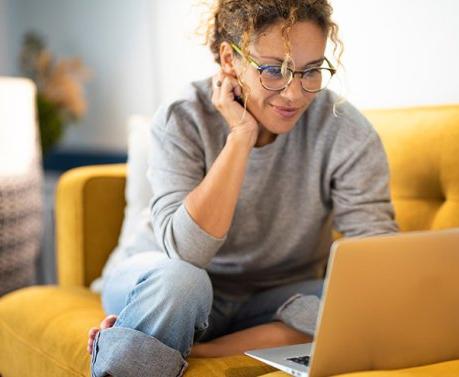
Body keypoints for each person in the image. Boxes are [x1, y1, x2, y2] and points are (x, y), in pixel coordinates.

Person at [88, 0, 399, 376]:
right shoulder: (183, 117)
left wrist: (214, 351)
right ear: (229, 59)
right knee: (182, 283)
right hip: (169, 281)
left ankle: (197, 344)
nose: (294, 94)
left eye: (311, 71)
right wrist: (240, 137)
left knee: (367, 300)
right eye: (273, 70)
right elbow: (186, 253)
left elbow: (379, 262)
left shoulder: (346, 131)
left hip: (276, 299)